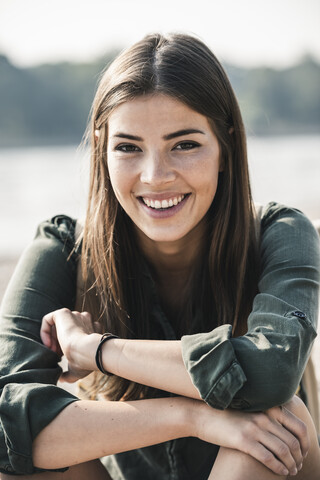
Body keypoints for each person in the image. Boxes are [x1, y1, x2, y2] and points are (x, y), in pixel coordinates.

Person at [0, 33, 319, 480]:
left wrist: (96, 351)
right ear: (102, 150)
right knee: (23, 454)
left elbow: (269, 372)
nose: (156, 177)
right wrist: (195, 417)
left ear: (225, 146)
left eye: (184, 144)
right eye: (128, 147)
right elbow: (4, 423)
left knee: (275, 422)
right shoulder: (63, 250)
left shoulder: (280, 234)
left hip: (256, 467)